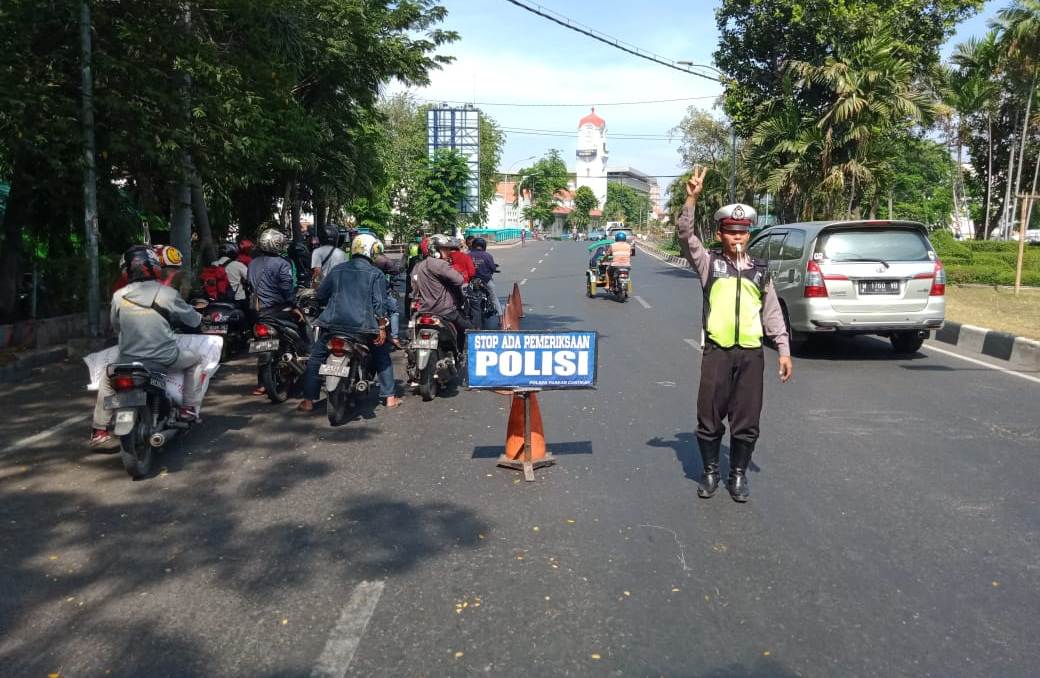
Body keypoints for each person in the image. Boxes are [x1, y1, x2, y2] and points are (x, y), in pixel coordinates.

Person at [677, 165, 793, 502]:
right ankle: (710, 471)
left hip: (751, 356)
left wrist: (783, 350)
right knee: (709, 416)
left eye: (742, 232)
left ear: (749, 234)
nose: (737, 237)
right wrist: (691, 198)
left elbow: (772, 313)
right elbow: (685, 235)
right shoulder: (708, 264)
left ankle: (738, 474)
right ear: (720, 235)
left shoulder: (760, 272)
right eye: (731, 231)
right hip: (717, 352)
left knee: (747, 419)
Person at [90, 246, 204, 448]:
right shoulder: (167, 293)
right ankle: (188, 408)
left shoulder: (118, 296)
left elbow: (116, 326)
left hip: (127, 360)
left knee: (107, 377)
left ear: (126, 271)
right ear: (155, 267)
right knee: (195, 361)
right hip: (165, 358)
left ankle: (99, 431)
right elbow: (193, 320)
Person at [298, 234, 401, 411]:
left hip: (333, 325)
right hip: (363, 328)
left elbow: (321, 295)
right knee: (382, 355)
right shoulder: (375, 273)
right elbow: (379, 304)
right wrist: (382, 327)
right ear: (372, 251)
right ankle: (390, 398)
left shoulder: (337, 270)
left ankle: (308, 401)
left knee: (315, 359)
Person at [247, 228, 305, 395]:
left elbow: (249, 285)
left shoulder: (252, 263)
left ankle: (262, 384)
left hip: (257, 312)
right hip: (277, 310)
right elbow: (287, 289)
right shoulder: (282, 263)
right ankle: (307, 360)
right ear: (278, 244)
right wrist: (295, 306)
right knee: (305, 325)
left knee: (261, 346)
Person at [411, 234, 473, 332]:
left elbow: (414, 285)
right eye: (445, 249)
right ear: (435, 250)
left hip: (425, 310)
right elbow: (459, 280)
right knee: (469, 330)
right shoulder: (440, 264)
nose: (448, 252)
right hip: (443, 310)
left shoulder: (421, 265)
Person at [467, 237, 503, 315]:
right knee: (494, 297)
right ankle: (501, 317)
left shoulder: (468, 255)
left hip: (471, 280)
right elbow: (493, 268)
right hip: (486, 280)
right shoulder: (487, 255)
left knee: (466, 296)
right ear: (484, 246)